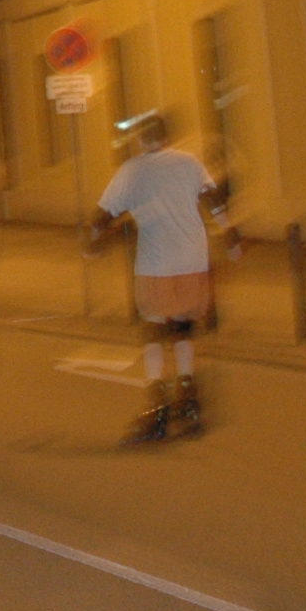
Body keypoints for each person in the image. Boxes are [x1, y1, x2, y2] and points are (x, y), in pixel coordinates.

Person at [85, 109, 230, 442]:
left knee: (153, 327)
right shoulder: (189, 163)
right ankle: (188, 398)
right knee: (183, 325)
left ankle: (157, 405)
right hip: (192, 258)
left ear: (141, 140)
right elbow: (212, 198)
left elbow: (104, 213)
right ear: (167, 137)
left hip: (156, 263)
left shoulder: (133, 170)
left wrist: (93, 242)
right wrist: (230, 233)